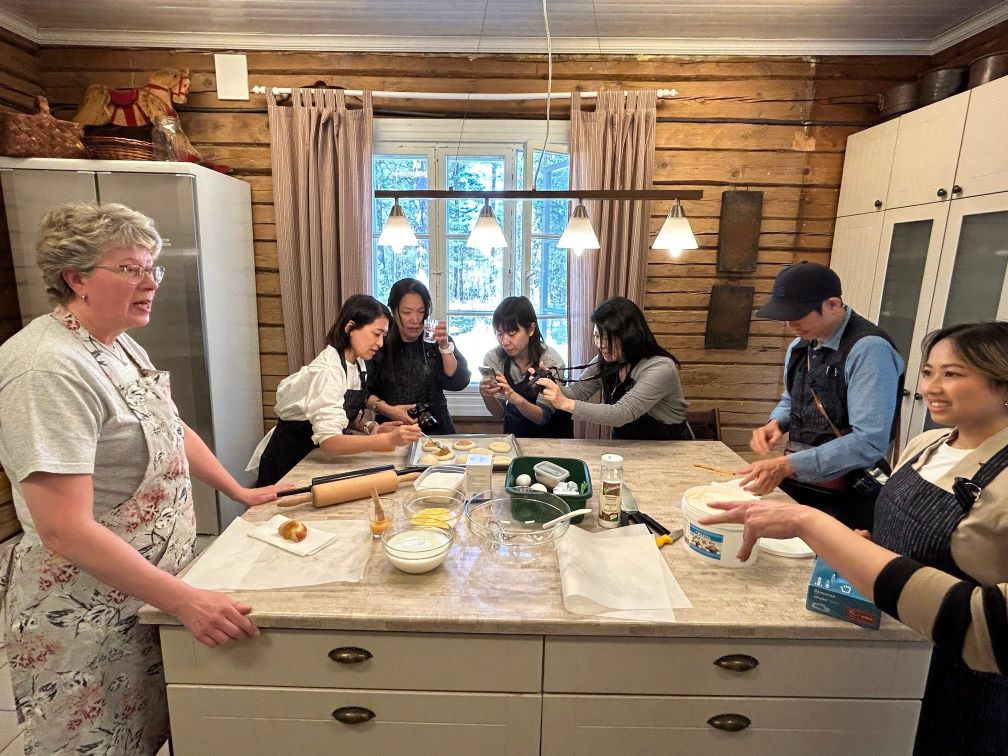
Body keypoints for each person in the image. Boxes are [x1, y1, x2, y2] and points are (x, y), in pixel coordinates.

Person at [0, 203, 287, 754]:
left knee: (150, 733)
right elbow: (63, 529)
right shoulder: (46, 367)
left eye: (152, 268)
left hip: (144, 592)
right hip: (84, 609)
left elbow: (169, 427)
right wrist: (184, 601)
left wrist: (238, 490)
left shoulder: (117, 343)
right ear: (76, 278)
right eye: (131, 268)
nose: (151, 283)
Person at [703, 321, 1008, 756]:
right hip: (890, 649)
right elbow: (895, 541)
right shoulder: (927, 444)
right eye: (927, 372)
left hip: (962, 687)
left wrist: (812, 524)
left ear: (1002, 383)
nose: (931, 388)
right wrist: (864, 543)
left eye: (952, 374)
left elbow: (986, 625)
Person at [740, 262, 904, 530]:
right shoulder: (800, 344)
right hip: (802, 483)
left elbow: (869, 441)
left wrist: (787, 464)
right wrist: (776, 423)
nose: (790, 325)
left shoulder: (869, 350)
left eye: (798, 315)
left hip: (845, 495)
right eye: (785, 317)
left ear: (833, 304)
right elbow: (792, 399)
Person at [250, 294, 423, 486]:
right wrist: (387, 440)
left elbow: (343, 408)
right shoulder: (328, 371)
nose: (381, 343)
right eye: (376, 334)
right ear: (350, 328)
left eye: (383, 335)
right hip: (287, 466)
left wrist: (372, 427)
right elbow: (330, 442)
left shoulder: (357, 364)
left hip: (312, 460)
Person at [536, 296, 690, 440]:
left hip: (669, 446)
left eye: (607, 338)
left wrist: (565, 403)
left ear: (630, 336)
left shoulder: (660, 368)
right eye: (597, 336)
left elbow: (622, 413)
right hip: (625, 444)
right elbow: (577, 392)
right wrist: (547, 383)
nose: (601, 345)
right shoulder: (604, 361)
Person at [366, 278, 471, 433]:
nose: (415, 319)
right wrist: (388, 410)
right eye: (406, 312)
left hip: (437, 427)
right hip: (393, 428)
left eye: (421, 312)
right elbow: (362, 390)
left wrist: (445, 347)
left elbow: (459, 382)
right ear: (393, 311)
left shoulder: (435, 339)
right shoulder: (380, 341)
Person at [479, 296, 573, 438]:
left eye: (512, 333)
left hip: (554, 439)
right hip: (515, 436)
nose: (504, 341)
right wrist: (487, 395)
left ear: (531, 329)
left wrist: (514, 397)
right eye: (499, 333)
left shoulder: (551, 361)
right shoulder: (494, 358)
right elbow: (499, 413)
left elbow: (542, 417)